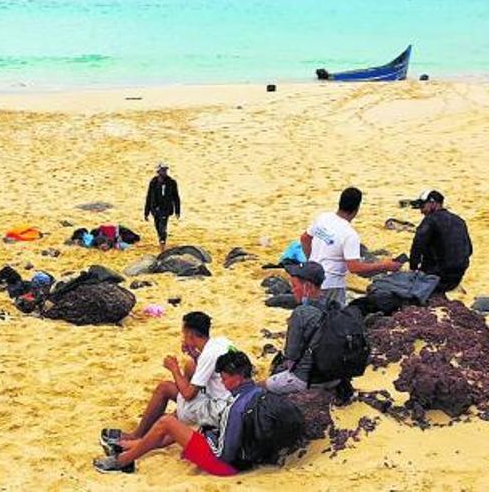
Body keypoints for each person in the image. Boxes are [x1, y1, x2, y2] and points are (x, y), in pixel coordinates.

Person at [94, 351, 260, 475]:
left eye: (224, 379)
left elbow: (224, 454)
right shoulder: (257, 392)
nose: (223, 383)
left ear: (238, 378)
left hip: (224, 465)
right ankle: (129, 446)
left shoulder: (235, 406)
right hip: (247, 456)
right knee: (182, 424)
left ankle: (123, 461)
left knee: (167, 422)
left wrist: (204, 439)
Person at [100, 312, 234, 453]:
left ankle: (138, 439)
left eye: (184, 333)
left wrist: (174, 369)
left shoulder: (209, 355)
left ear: (190, 334)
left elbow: (188, 394)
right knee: (189, 368)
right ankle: (141, 436)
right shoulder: (221, 342)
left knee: (165, 390)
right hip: (228, 401)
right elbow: (210, 372)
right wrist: (194, 356)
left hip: (218, 410)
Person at [301, 187, 401, 305]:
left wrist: (311, 261)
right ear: (357, 208)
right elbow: (355, 268)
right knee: (333, 320)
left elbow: (305, 238)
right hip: (331, 285)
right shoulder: (349, 234)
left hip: (310, 279)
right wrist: (385, 265)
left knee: (308, 316)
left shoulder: (323, 217)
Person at [263, 261, 345, 396]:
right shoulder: (336, 306)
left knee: (260, 386)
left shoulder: (301, 313)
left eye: (294, 286)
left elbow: (291, 356)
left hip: (307, 380)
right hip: (335, 378)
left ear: (308, 287)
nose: (292, 290)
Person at [409, 190, 473, 294]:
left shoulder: (430, 220)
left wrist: (413, 269)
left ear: (433, 203)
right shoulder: (460, 221)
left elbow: (417, 246)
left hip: (435, 276)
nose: (421, 211)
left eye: (422, 206)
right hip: (457, 277)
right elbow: (469, 250)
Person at [143, 162, 180, 252]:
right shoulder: (153, 182)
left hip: (165, 209)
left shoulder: (171, 182)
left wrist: (177, 210)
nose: (164, 172)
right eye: (162, 170)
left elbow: (176, 197)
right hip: (155, 209)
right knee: (157, 226)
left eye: (165, 170)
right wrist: (146, 212)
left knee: (162, 226)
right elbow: (149, 196)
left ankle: (162, 241)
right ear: (158, 172)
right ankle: (161, 238)